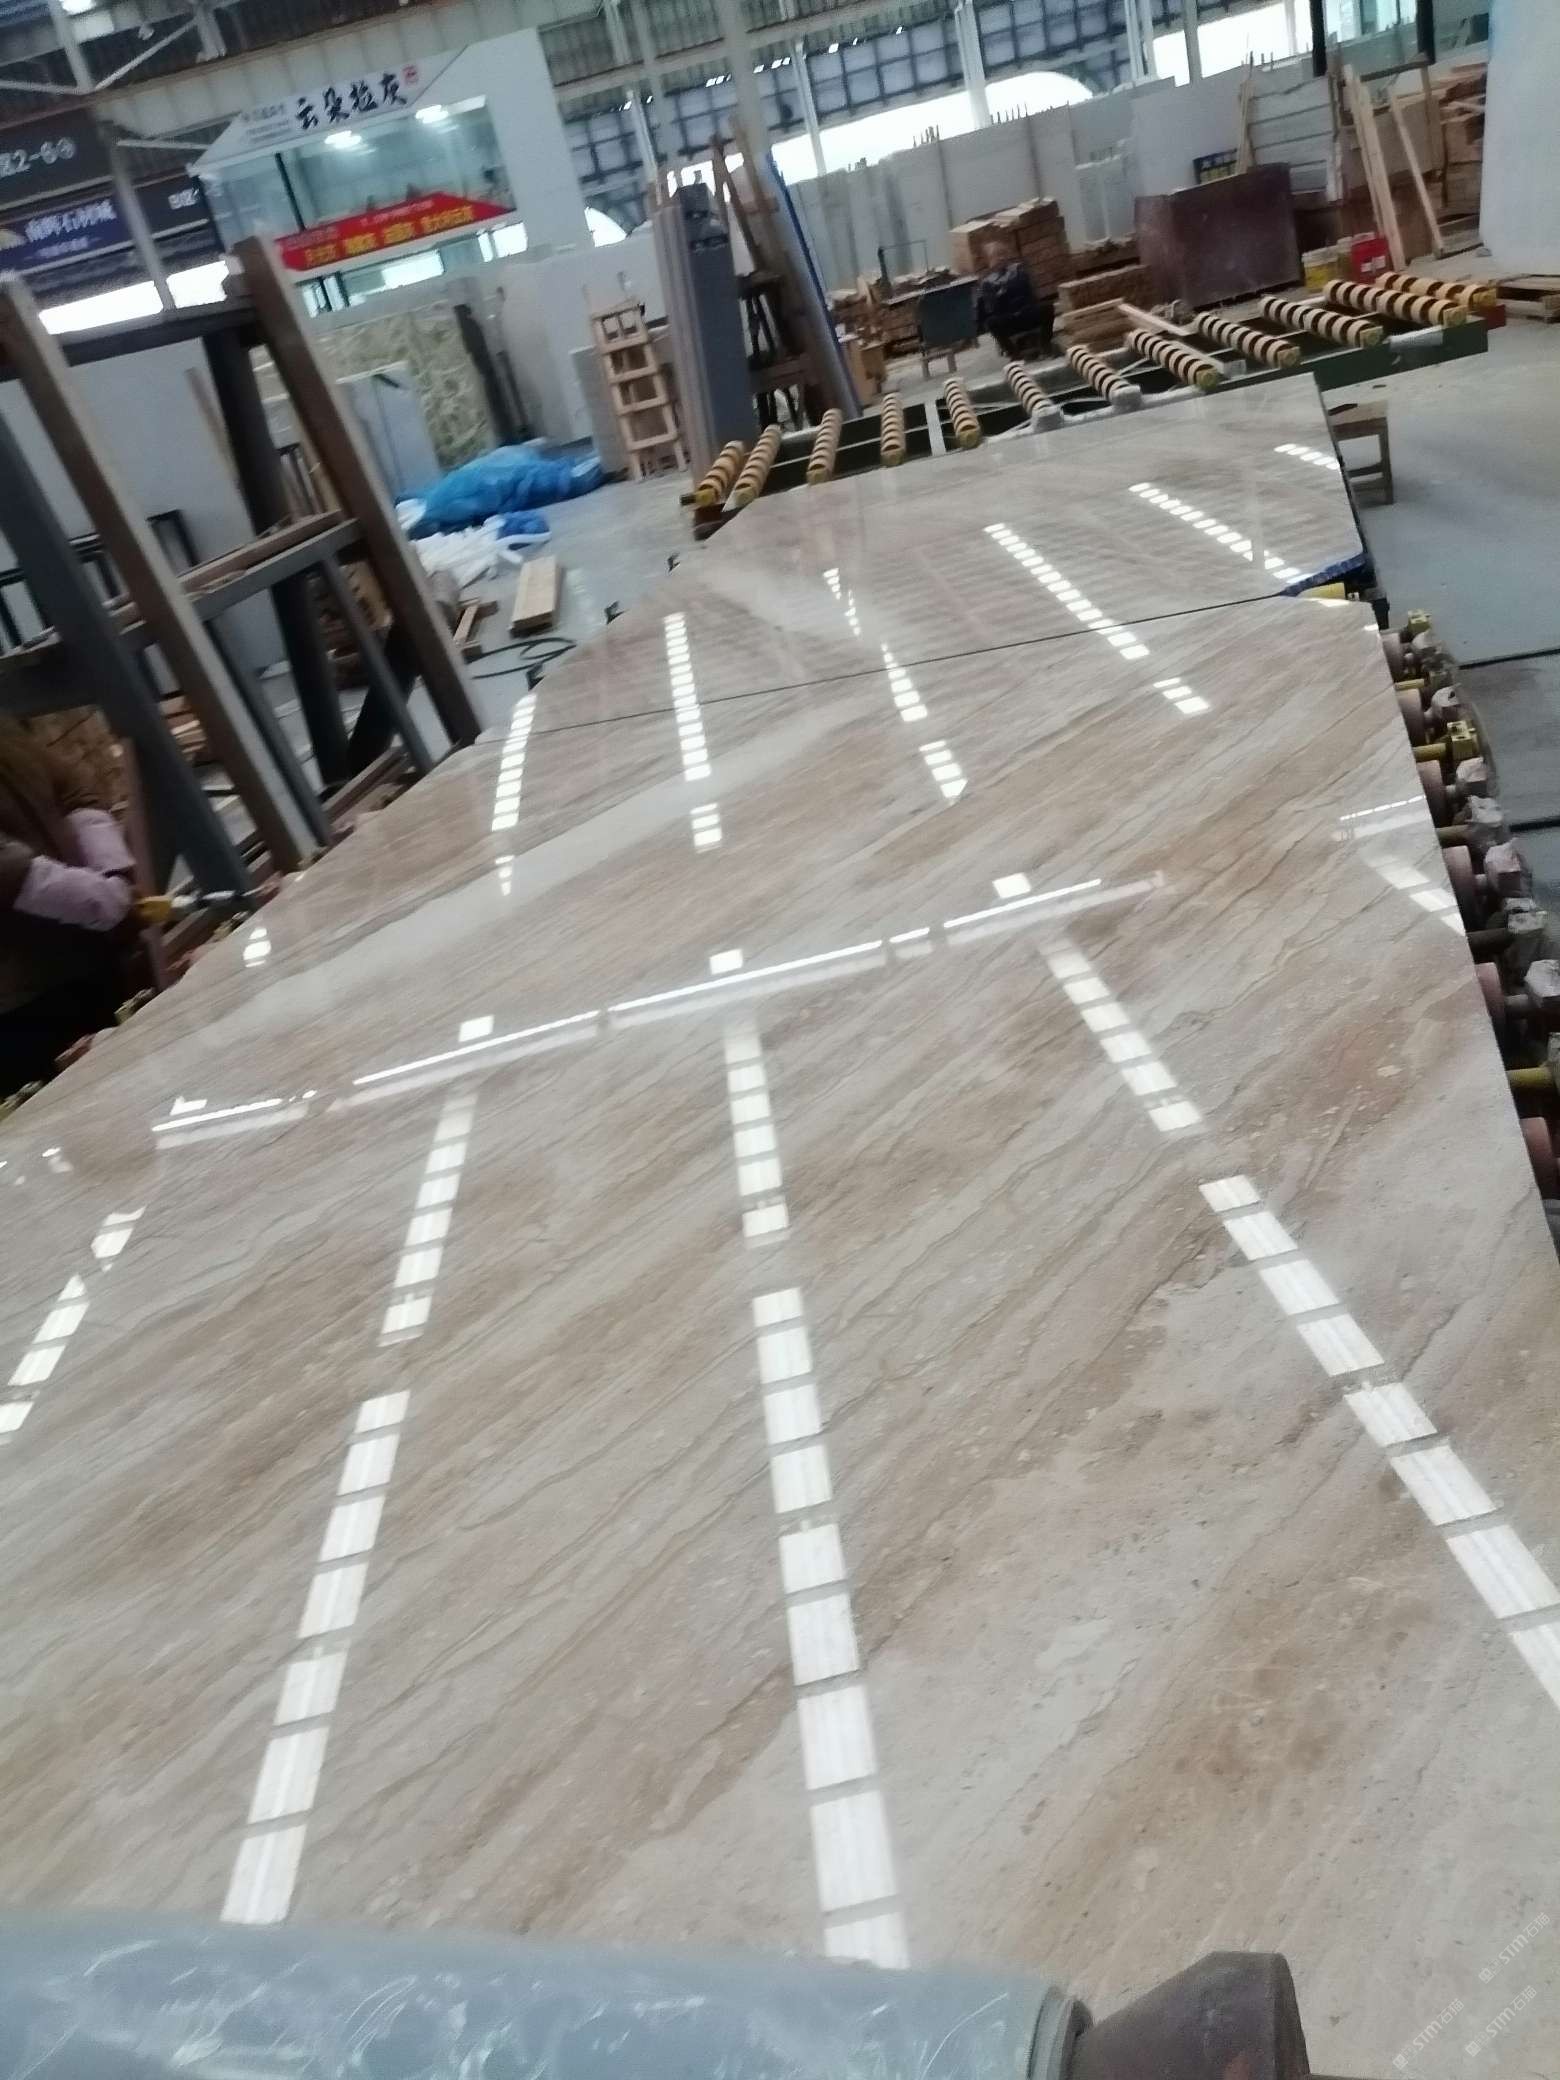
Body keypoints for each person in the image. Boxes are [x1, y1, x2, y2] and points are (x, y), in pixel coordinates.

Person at [0, 720, 135, 1101]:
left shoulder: (7, 733)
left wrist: (109, 866)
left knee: (131, 1087)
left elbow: (72, 791)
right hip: (20, 1002)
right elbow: (7, 868)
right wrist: (99, 898)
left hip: (87, 957)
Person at [974, 258, 1056, 360]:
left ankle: (1045, 345)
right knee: (991, 322)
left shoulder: (1018, 272)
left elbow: (1030, 295)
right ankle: (1013, 353)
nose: (999, 262)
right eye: (996, 260)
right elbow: (991, 308)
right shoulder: (987, 283)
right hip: (1008, 320)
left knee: (1047, 307)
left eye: (1001, 258)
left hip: (1026, 313)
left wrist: (1008, 287)